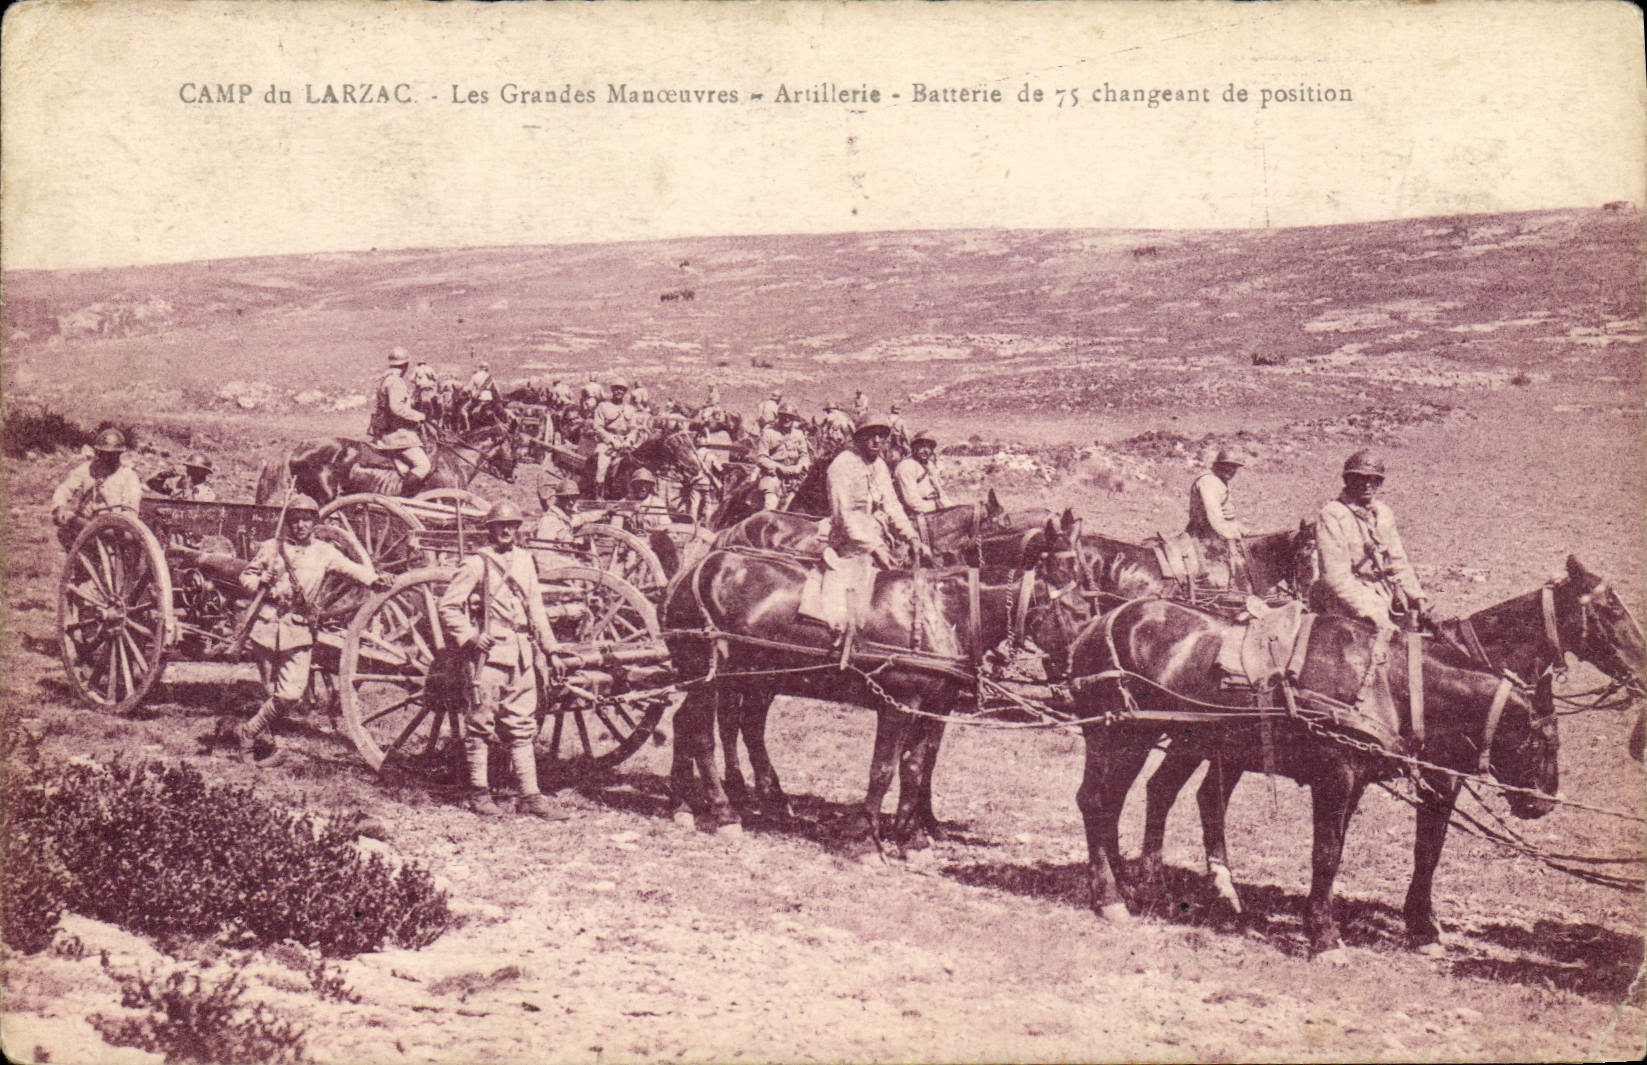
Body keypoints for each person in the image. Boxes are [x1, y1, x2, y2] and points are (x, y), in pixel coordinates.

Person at [437, 501, 570, 819]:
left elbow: (536, 608)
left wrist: (550, 649)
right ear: (490, 529)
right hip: (489, 656)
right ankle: (479, 793)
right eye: (500, 525)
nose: (507, 530)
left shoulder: (525, 561)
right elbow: (448, 606)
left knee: (523, 725)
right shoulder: (476, 563)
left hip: (523, 652)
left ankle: (530, 796)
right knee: (481, 724)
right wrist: (469, 636)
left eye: (512, 525)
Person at [234, 494, 386, 766]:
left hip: (299, 629)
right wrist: (259, 580)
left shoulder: (325, 552)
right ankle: (266, 746)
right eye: (295, 520)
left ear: (314, 523)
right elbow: (245, 576)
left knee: (289, 694)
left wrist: (376, 579)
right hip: (266, 626)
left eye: (306, 520)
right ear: (288, 523)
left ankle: (248, 732)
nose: (300, 525)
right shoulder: (271, 547)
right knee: (271, 691)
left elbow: (353, 570)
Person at [824, 414, 932, 623]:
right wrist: (873, 547)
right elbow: (843, 516)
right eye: (870, 436)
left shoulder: (879, 465)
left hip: (880, 537)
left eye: (881, 436)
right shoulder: (842, 466)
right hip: (851, 544)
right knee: (853, 597)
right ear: (858, 439)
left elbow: (892, 505)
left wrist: (913, 538)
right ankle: (844, 630)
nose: (876, 441)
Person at [1311, 450, 1433, 632]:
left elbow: (1398, 562)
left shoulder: (1383, 513)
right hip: (1345, 602)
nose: (1367, 485)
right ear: (1348, 481)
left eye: (1374, 480)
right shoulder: (1333, 514)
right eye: (1360, 478)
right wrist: (1375, 613)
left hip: (1384, 593)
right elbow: (1336, 577)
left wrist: (1418, 597)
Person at [50, 427, 144, 550]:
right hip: (87, 523)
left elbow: (130, 510)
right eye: (103, 454)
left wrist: (113, 524)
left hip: (113, 529)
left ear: (119, 454)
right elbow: (65, 488)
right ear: (98, 453)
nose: (107, 459)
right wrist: (59, 506)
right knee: (64, 532)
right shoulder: (87, 469)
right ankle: (81, 564)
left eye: (112, 455)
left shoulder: (128, 476)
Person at [369, 348, 432, 494]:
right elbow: (396, 408)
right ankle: (403, 497)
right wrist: (419, 416)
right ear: (405, 365)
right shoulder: (395, 382)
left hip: (386, 432)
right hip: (397, 436)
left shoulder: (385, 380)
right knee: (423, 466)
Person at [1186, 448, 1249, 589]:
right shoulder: (1209, 482)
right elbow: (1214, 517)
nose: (1230, 471)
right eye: (1227, 466)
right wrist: (1234, 534)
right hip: (1205, 537)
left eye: (1234, 468)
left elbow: (1226, 515)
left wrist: (1242, 529)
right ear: (1217, 465)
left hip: (1216, 535)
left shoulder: (1220, 482)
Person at [755, 402, 811, 510]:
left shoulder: (799, 434)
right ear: (779, 416)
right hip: (773, 475)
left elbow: (804, 455)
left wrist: (799, 467)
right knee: (771, 504)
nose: (786, 419)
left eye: (790, 417)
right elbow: (762, 457)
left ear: (794, 418)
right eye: (783, 416)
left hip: (796, 475)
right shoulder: (768, 433)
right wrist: (780, 468)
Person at [531, 478, 584, 579]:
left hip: (566, 564)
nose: (571, 502)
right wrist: (573, 565)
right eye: (567, 498)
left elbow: (583, 518)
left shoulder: (565, 516)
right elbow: (542, 556)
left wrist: (604, 512)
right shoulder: (549, 521)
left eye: (574, 498)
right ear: (559, 499)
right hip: (553, 569)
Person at [894, 429, 949, 514]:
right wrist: (937, 509)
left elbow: (940, 492)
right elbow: (913, 502)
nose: (925, 450)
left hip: (933, 508)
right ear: (914, 447)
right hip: (914, 513)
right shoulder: (906, 466)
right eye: (921, 446)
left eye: (929, 447)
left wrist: (951, 509)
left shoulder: (929, 465)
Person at [146, 452, 217, 502]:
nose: (190, 471)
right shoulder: (178, 481)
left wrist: (187, 489)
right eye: (189, 467)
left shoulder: (207, 493)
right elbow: (151, 484)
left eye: (195, 469)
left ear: (204, 472)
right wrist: (163, 475)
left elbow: (191, 510)